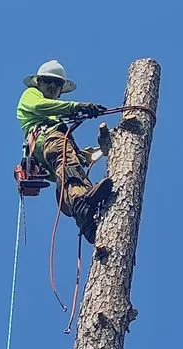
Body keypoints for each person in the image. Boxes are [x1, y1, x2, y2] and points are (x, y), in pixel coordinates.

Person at [17, 61, 112, 242]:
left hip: (51, 150)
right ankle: (80, 203)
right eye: (48, 81)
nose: (52, 86)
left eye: (57, 83)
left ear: (61, 89)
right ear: (38, 82)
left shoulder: (56, 113)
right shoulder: (32, 95)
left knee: (73, 172)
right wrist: (77, 106)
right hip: (48, 140)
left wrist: (82, 153)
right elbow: (40, 107)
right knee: (68, 167)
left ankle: (88, 223)